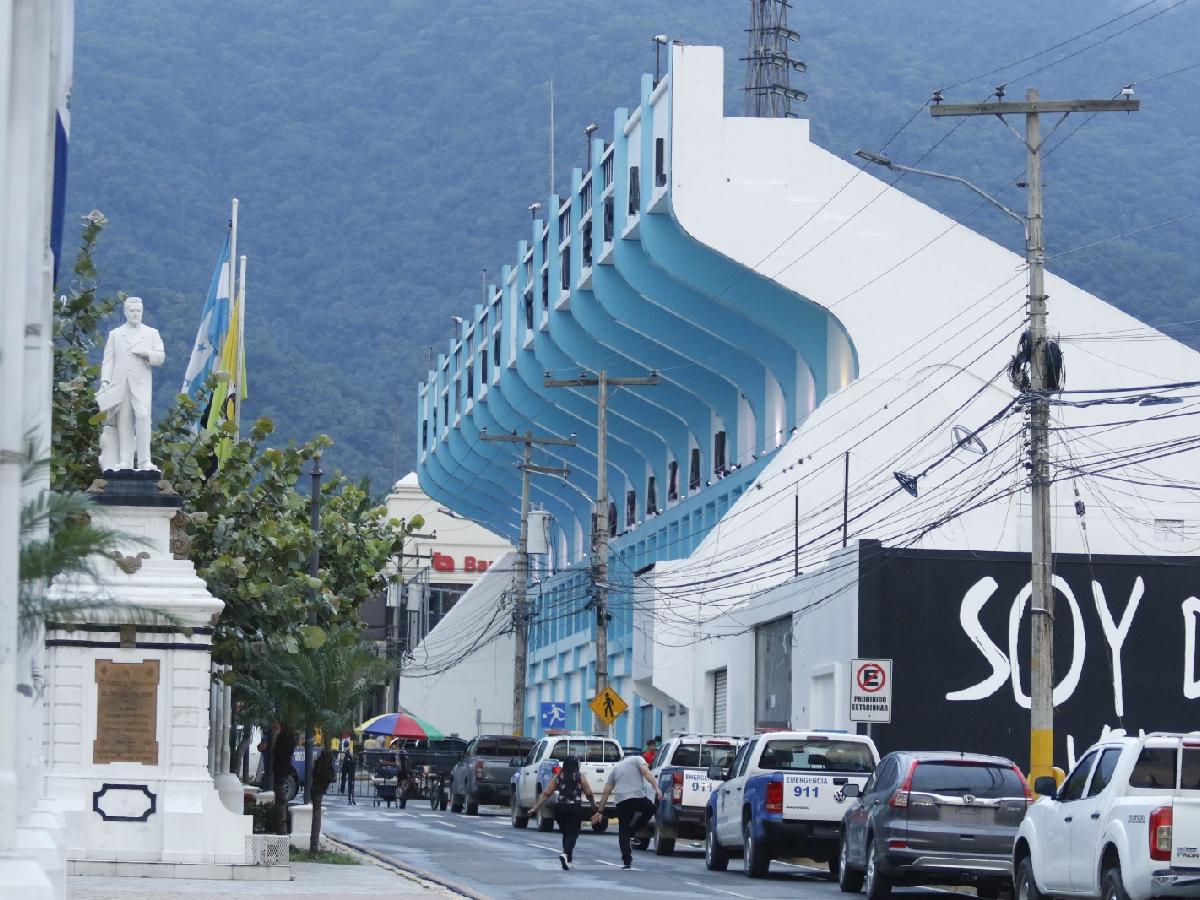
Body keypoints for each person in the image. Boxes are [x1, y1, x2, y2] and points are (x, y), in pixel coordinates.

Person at [98, 296, 165, 472]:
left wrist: (147, 354)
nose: (135, 314)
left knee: (143, 417)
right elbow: (108, 360)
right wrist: (105, 380)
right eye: (132, 311)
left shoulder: (151, 333)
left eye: (138, 311)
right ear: (126, 312)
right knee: (124, 420)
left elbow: (160, 356)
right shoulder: (116, 334)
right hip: (120, 384)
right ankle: (125, 461)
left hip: (141, 384)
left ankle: (144, 461)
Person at [591, 751, 662, 870]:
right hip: (636, 797)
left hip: (621, 801)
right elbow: (646, 772)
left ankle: (626, 862)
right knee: (651, 808)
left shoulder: (615, 768)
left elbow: (606, 791)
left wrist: (600, 811)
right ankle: (633, 831)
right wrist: (657, 788)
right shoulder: (638, 759)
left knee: (623, 830)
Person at [529, 755, 595, 871]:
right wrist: (593, 804)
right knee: (573, 833)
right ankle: (565, 854)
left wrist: (535, 808)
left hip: (560, 808)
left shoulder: (558, 777)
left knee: (566, 833)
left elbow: (546, 793)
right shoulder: (580, 776)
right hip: (575, 807)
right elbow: (589, 793)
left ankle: (568, 860)